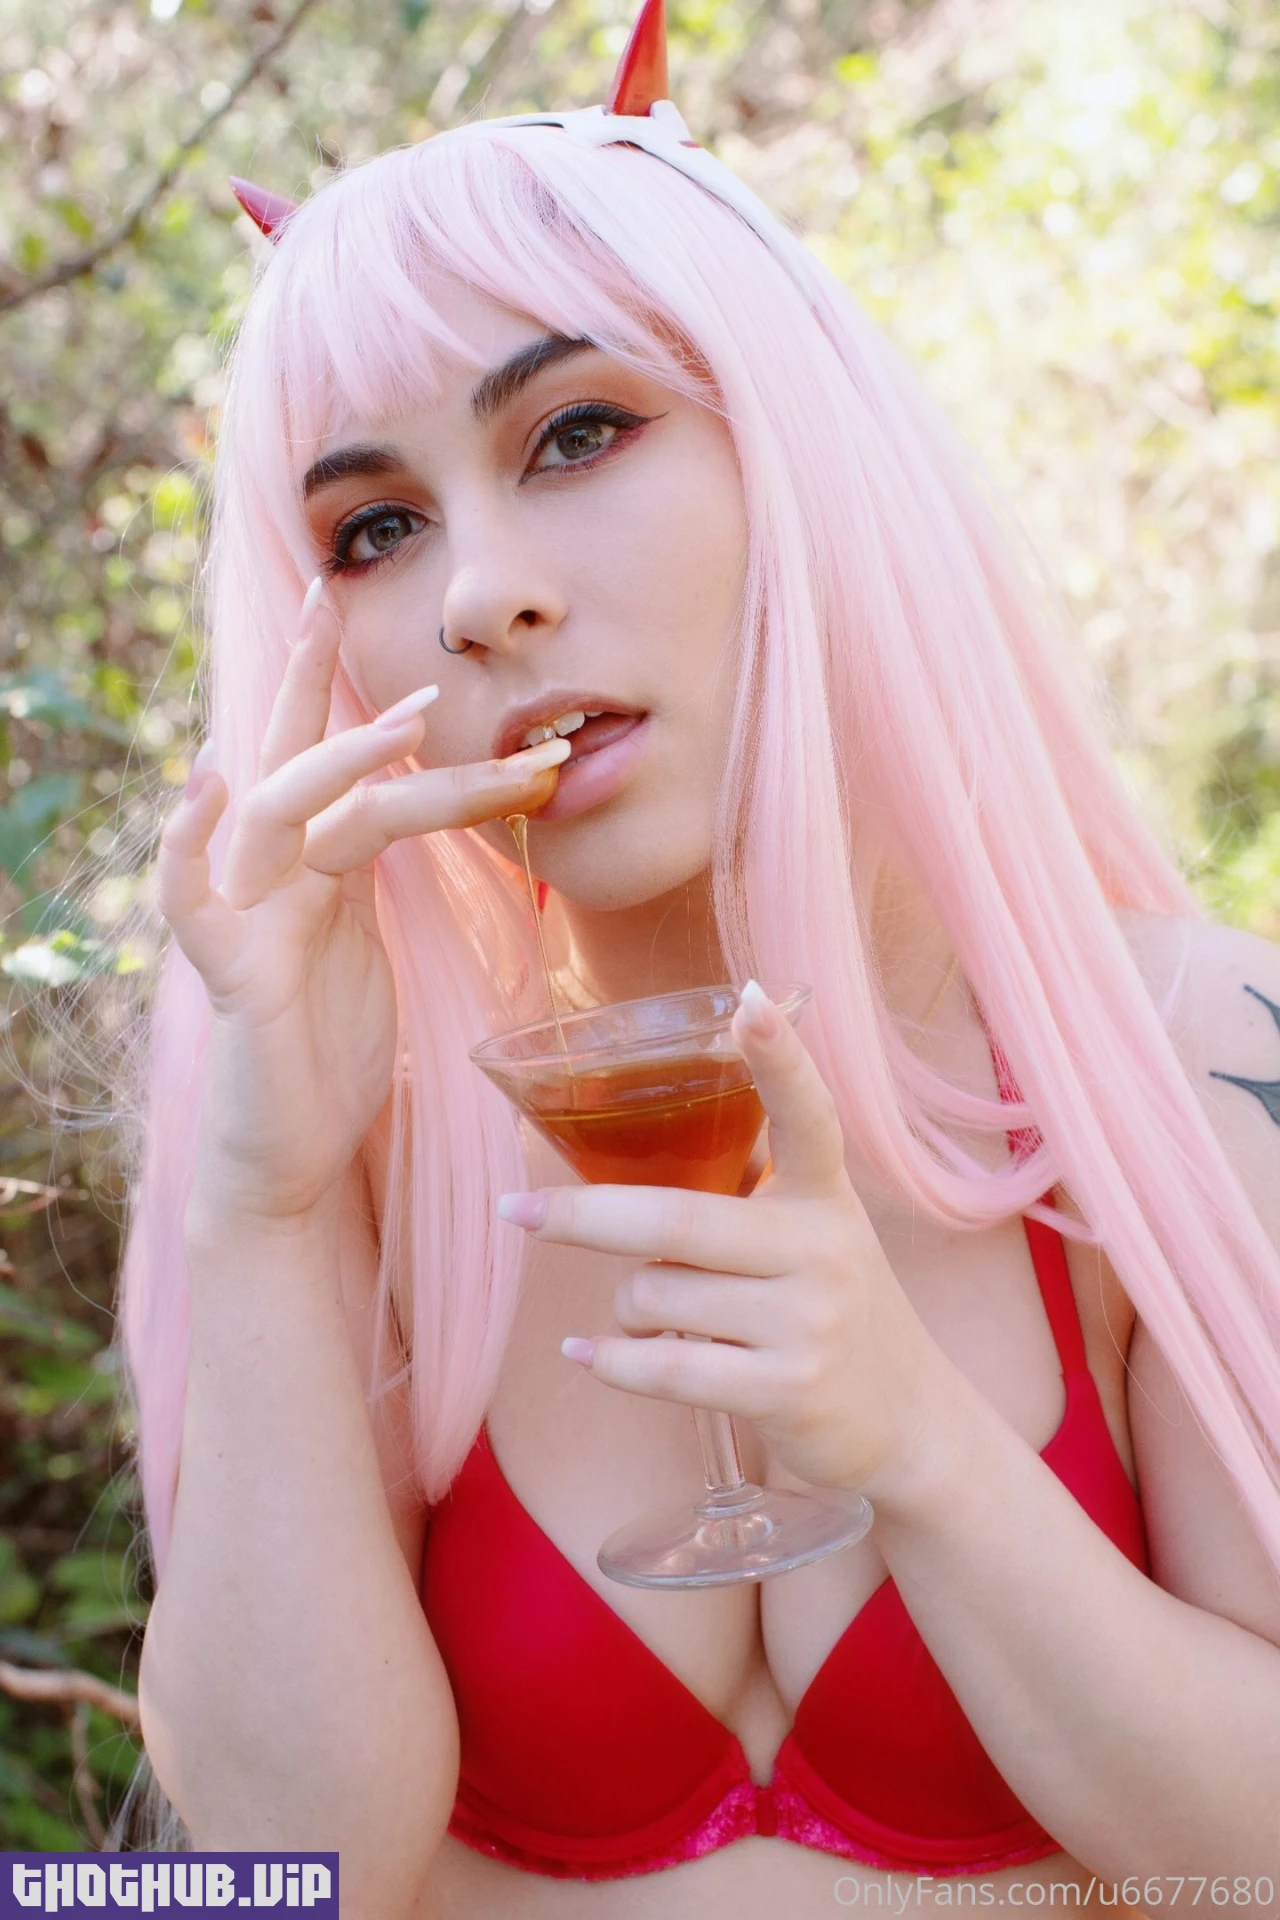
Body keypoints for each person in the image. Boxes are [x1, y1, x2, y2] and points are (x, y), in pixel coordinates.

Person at [99, 0, 1280, 1908]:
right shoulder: (349, 1121)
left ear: (797, 451)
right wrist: (261, 1206)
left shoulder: (1185, 1048)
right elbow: (282, 1876)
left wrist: (921, 1444)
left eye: (577, 432)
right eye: (377, 527)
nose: (482, 595)